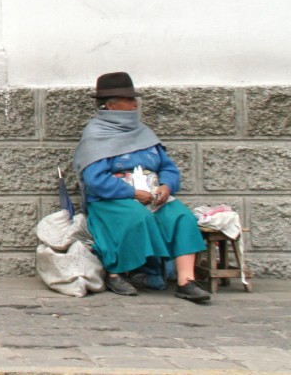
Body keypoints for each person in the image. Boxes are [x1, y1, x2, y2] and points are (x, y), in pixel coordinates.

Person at [73, 72, 210, 304]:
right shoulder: (95, 135)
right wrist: (131, 193)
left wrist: (167, 186)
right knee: (135, 217)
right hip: (112, 199)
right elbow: (95, 179)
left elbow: (168, 167)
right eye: (127, 99)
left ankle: (186, 281)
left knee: (181, 217)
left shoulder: (145, 133)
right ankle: (117, 272)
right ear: (109, 104)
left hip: (152, 195)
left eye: (133, 98)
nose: (134, 103)